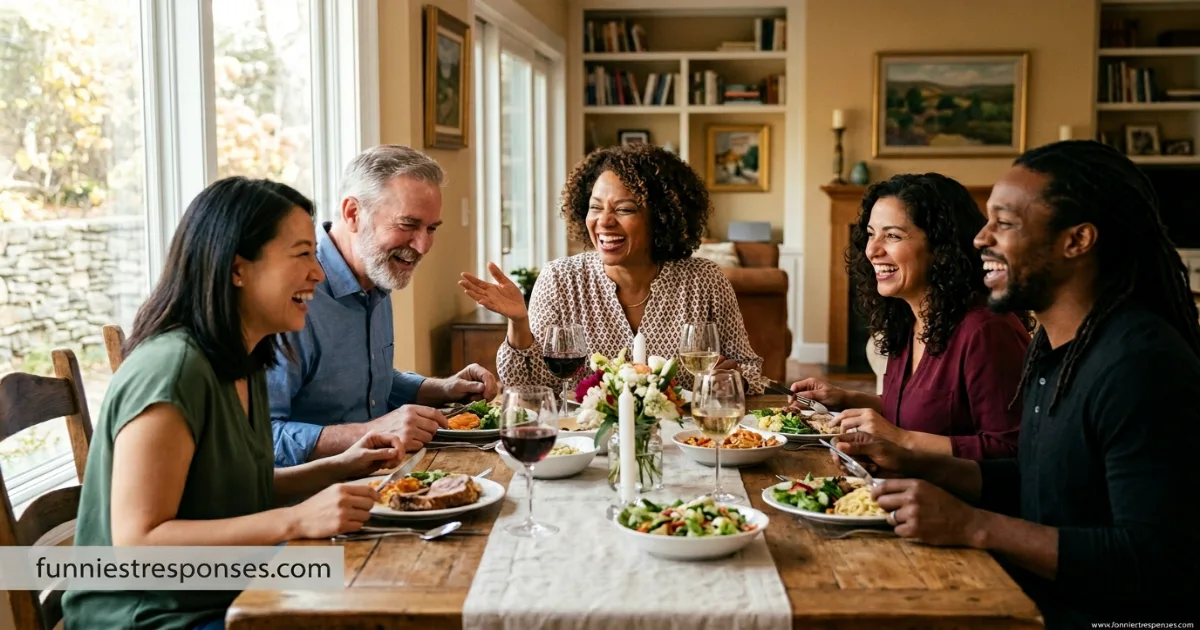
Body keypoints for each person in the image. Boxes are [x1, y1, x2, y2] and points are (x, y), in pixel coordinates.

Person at [835, 140, 1200, 627]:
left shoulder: (1141, 366)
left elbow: (1155, 563)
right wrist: (914, 461)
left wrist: (974, 525)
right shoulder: (1053, 350)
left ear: (1077, 240)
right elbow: (1037, 477)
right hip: (1020, 589)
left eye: (1004, 223)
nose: (981, 238)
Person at [62, 177, 406, 630]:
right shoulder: (172, 369)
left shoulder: (245, 357)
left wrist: (338, 466)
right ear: (237, 269)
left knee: (387, 586)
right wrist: (295, 521)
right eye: (302, 254)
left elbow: (229, 487)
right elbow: (139, 541)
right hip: (153, 616)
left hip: (229, 588)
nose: (318, 273)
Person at [459, 143, 763, 396]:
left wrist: (736, 378)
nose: (604, 221)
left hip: (684, 443)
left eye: (624, 209)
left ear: (661, 217)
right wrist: (518, 323)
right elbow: (525, 386)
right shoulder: (560, 280)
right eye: (595, 207)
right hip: (583, 445)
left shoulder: (705, 281)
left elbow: (749, 367)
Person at [267, 145, 499, 467]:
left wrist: (440, 388)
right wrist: (369, 432)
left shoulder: (376, 273)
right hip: (312, 501)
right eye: (408, 225)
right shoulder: (291, 294)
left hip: (383, 477)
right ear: (352, 214)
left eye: (431, 229)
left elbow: (364, 383)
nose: (423, 246)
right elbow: (262, 438)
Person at [791, 174, 1030, 460]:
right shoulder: (908, 318)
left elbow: (1012, 452)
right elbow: (923, 412)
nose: (872, 250)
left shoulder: (987, 331)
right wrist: (845, 399)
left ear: (942, 247)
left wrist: (898, 438)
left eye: (892, 235)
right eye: (870, 233)